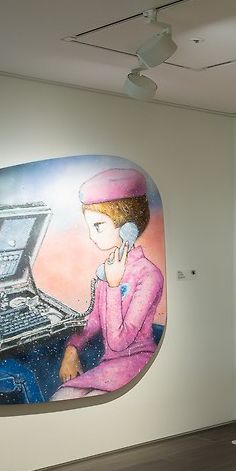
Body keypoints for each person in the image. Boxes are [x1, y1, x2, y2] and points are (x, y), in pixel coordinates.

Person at [53, 168, 163, 400]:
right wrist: (72, 349)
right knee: (62, 397)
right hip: (110, 366)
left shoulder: (149, 275)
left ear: (128, 228)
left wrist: (113, 285)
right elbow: (94, 319)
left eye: (98, 226)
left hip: (137, 362)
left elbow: (119, 342)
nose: (92, 236)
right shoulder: (110, 269)